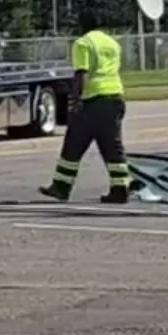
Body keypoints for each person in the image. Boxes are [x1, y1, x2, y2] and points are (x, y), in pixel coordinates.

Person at [41, 27, 129, 204]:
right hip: (115, 97)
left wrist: (75, 99)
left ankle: (61, 187)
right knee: (112, 147)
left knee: (73, 144)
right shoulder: (113, 43)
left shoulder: (83, 43)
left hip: (93, 100)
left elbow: (82, 73)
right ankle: (120, 188)